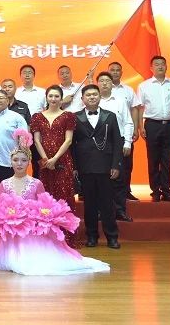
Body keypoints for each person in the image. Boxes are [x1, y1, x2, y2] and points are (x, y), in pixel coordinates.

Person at [0, 141, 111, 275]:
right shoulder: (4, 184)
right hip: (12, 231)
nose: (19, 163)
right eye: (16, 160)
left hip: (31, 230)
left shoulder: (36, 183)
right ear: (10, 162)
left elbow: (44, 206)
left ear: (29, 162)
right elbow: (1, 208)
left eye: (23, 160)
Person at [72, 84, 123, 249]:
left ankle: (112, 237)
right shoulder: (75, 117)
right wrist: (74, 166)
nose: (92, 97)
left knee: (107, 203)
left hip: (106, 166)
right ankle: (92, 236)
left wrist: (116, 165)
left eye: (95, 94)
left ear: (100, 97)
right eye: (88, 95)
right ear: (82, 99)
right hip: (85, 167)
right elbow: (72, 145)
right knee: (89, 204)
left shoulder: (110, 116)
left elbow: (117, 142)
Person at [30, 86, 78, 247]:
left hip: (63, 161)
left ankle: (66, 238)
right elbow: (37, 140)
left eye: (57, 96)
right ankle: (46, 236)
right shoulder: (37, 117)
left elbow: (68, 140)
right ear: (46, 98)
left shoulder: (68, 116)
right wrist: (46, 159)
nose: (53, 99)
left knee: (64, 196)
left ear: (61, 98)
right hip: (45, 163)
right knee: (46, 197)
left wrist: (55, 159)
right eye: (50, 96)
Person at [137, 55, 170, 202]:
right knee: (153, 160)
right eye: (157, 64)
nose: (160, 66)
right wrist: (140, 126)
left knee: (166, 160)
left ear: (166, 66)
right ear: (151, 68)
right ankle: (155, 191)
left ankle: (166, 191)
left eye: (162, 64)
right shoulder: (144, 86)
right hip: (152, 125)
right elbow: (140, 108)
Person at [95, 72, 134, 222]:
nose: (104, 83)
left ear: (112, 84)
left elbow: (128, 122)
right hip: (98, 145)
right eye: (101, 81)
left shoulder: (120, 101)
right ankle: (101, 211)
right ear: (97, 84)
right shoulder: (92, 101)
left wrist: (128, 142)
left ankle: (120, 211)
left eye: (107, 80)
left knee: (119, 178)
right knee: (100, 179)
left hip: (118, 142)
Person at [108, 61, 142, 200]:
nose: (115, 72)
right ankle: (108, 192)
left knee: (127, 164)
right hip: (106, 135)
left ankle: (126, 191)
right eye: (112, 70)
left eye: (118, 70)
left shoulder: (128, 90)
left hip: (124, 132)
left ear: (121, 73)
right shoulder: (102, 90)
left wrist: (135, 128)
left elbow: (134, 109)